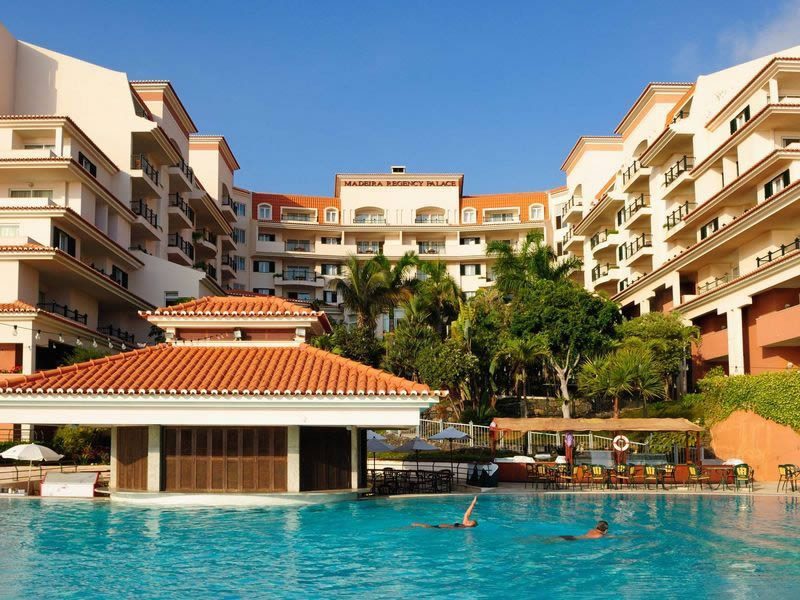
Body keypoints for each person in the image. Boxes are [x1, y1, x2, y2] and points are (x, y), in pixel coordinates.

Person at [412, 496, 478, 529]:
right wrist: (473, 503)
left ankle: (411, 526)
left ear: (471, 527)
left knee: (424, 526)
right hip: (440, 527)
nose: (468, 521)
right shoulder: (464, 524)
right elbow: (467, 514)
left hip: (440, 529)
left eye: (470, 523)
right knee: (421, 525)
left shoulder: (464, 528)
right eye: (469, 521)